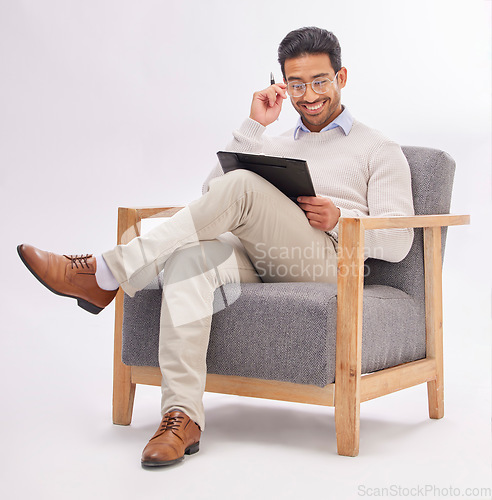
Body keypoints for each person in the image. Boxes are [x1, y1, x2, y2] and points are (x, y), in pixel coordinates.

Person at [17, 26, 414, 468]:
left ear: (342, 77)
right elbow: (211, 199)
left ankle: (104, 273)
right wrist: (253, 127)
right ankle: (181, 416)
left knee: (242, 185)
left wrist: (341, 220)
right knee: (191, 257)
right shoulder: (274, 141)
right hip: (261, 258)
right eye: (297, 84)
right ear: (283, 84)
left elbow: (399, 241)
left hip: (327, 264)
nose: (309, 95)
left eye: (320, 81)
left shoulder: (379, 148)